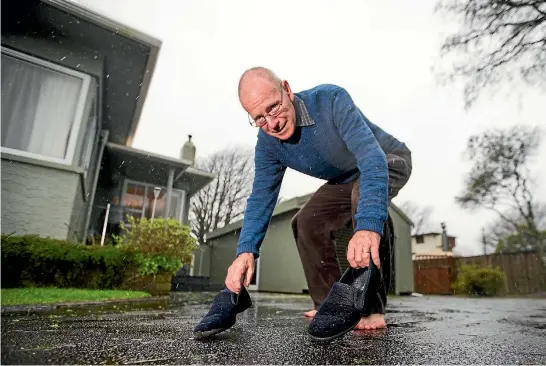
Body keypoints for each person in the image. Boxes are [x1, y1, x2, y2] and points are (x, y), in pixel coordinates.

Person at [225, 67, 412, 330]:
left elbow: (372, 160)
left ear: (287, 90)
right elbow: (260, 197)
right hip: (347, 177)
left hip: (387, 158)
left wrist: (369, 226)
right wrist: (245, 252)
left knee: (365, 202)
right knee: (307, 222)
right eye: (259, 118)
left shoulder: (330, 100)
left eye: (274, 107)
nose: (273, 123)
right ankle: (330, 303)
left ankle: (371, 308)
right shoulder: (268, 143)